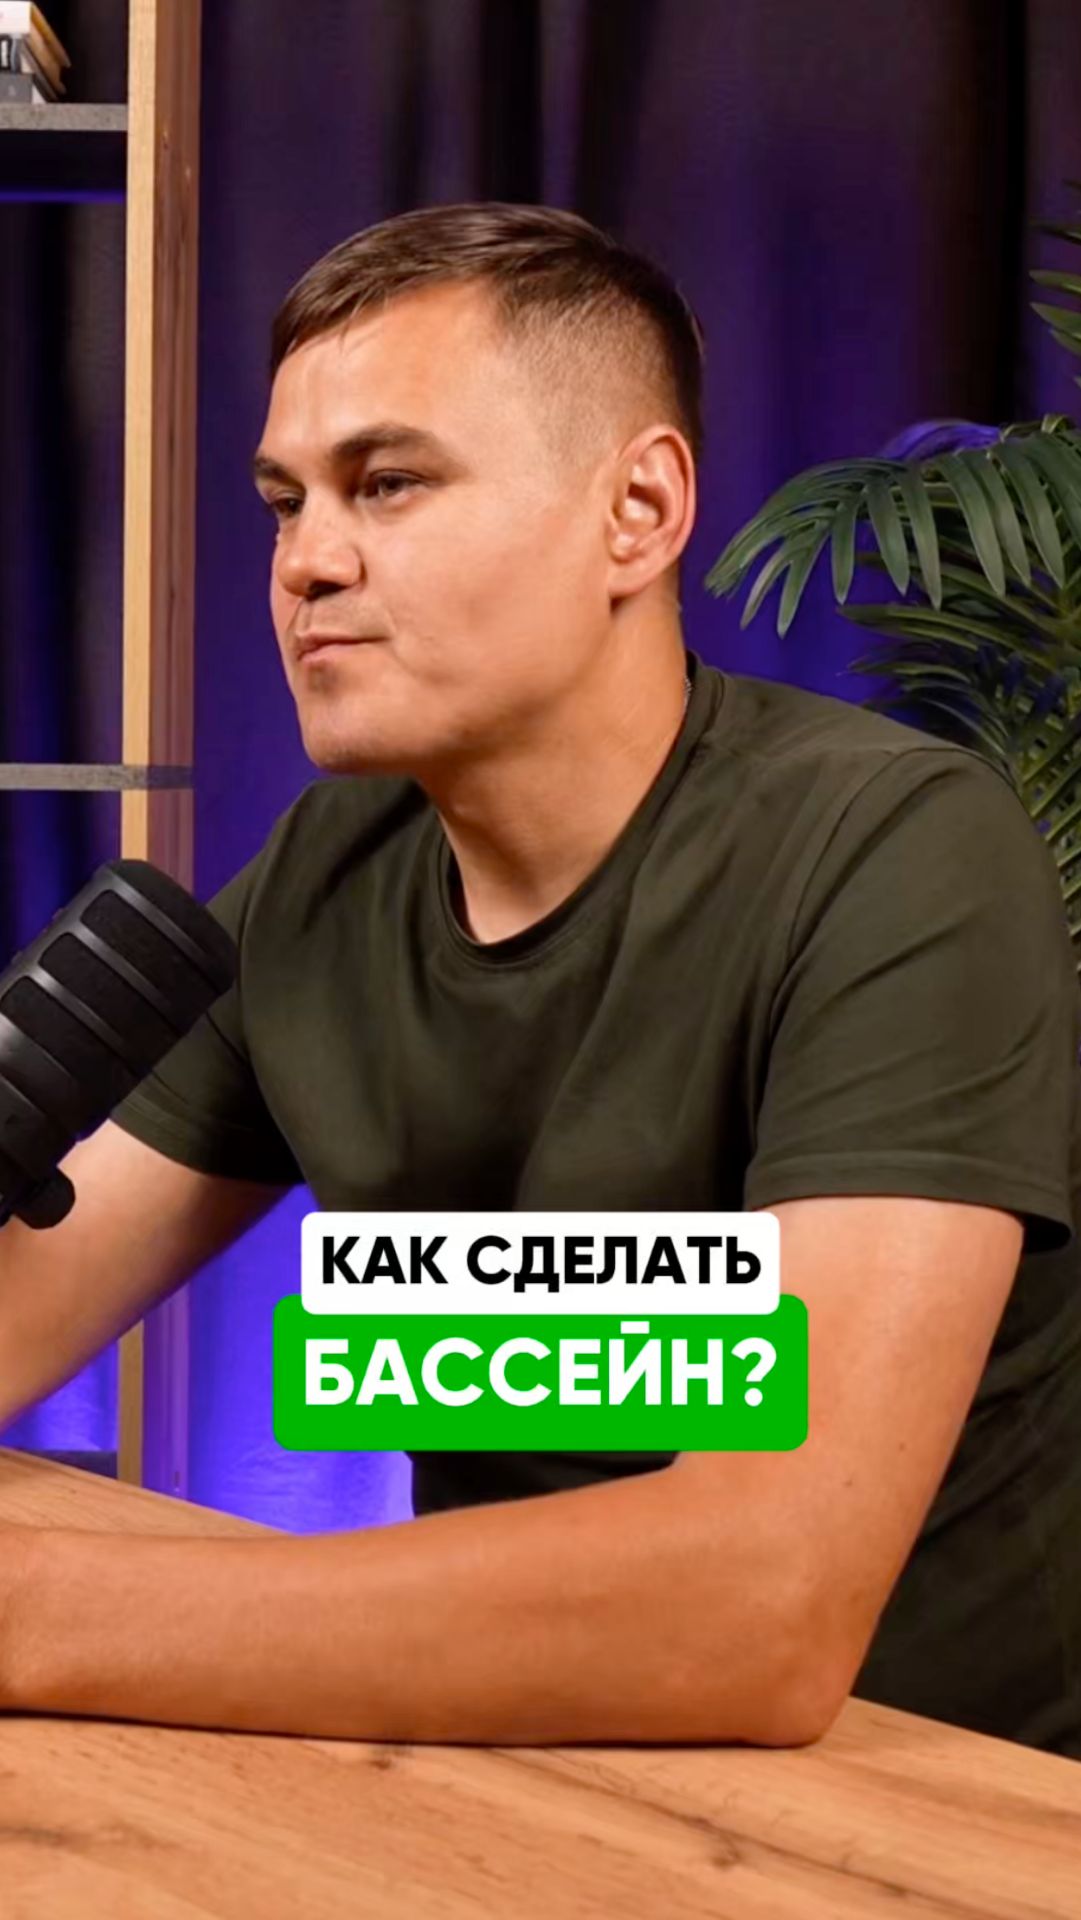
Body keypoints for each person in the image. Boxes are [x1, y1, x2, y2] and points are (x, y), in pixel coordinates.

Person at [1, 202, 1079, 1757]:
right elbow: (26, 1307)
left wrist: (37, 1607)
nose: (305, 562)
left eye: (388, 482)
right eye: (285, 502)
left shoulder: (897, 852)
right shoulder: (325, 873)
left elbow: (756, 1608)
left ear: (637, 512)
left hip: (921, 1804)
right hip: (498, 1759)